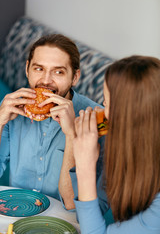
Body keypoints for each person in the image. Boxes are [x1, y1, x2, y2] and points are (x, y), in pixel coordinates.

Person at [0, 34, 105, 210]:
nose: (46, 81)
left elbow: (76, 206)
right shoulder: (11, 109)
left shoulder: (98, 119)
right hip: (16, 212)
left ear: (75, 77)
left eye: (58, 72)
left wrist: (72, 135)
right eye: (39, 69)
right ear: (27, 69)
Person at [72, 56, 160, 233]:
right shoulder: (128, 151)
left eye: (106, 103)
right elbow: (84, 215)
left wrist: (85, 166)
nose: (102, 112)